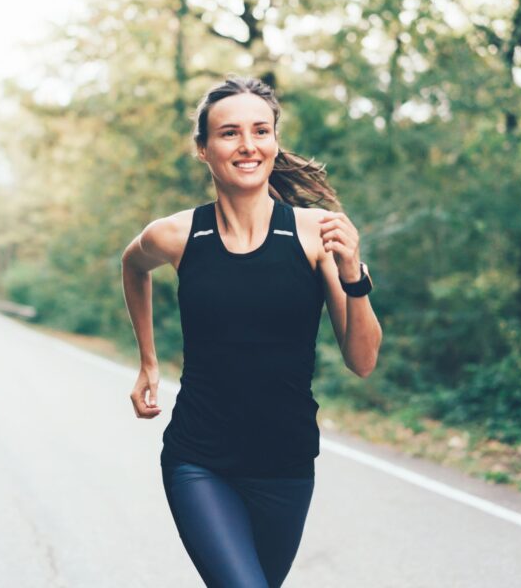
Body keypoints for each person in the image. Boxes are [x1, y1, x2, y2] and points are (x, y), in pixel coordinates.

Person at [121, 76, 382, 587]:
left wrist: (354, 274)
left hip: (285, 464)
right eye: (229, 133)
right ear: (204, 149)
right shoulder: (176, 234)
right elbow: (133, 266)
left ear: (275, 142)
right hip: (199, 460)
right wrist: (148, 360)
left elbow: (363, 361)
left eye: (261, 131)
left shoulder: (317, 233)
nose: (247, 145)